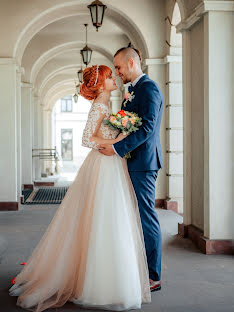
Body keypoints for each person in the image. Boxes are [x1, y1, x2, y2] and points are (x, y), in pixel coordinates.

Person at [9, 65, 151, 312]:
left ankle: (112, 281)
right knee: (101, 219)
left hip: (113, 165)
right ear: (100, 83)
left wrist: (118, 141)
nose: (115, 77)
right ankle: (95, 283)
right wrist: (116, 141)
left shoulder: (107, 105)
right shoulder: (99, 106)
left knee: (113, 220)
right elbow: (86, 139)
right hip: (103, 166)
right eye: (110, 76)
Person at [98, 47, 163, 292]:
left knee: (146, 217)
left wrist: (116, 149)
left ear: (132, 62)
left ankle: (153, 276)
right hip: (132, 160)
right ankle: (138, 268)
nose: (117, 72)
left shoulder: (149, 89)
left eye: (119, 67)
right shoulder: (132, 91)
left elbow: (147, 128)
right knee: (135, 216)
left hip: (143, 164)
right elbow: (129, 125)